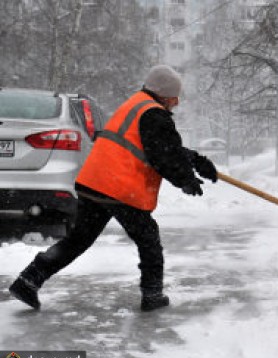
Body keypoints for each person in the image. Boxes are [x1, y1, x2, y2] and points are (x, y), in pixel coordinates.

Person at [9, 65, 218, 312]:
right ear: (163, 94)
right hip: (119, 187)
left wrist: (197, 161)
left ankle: (28, 280)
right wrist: (186, 179)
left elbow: (160, 146)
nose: (177, 102)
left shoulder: (136, 106)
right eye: (174, 97)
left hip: (95, 183)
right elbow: (163, 154)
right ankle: (152, 295)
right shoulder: (154, 114)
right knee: (148, 239)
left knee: (79, 239)